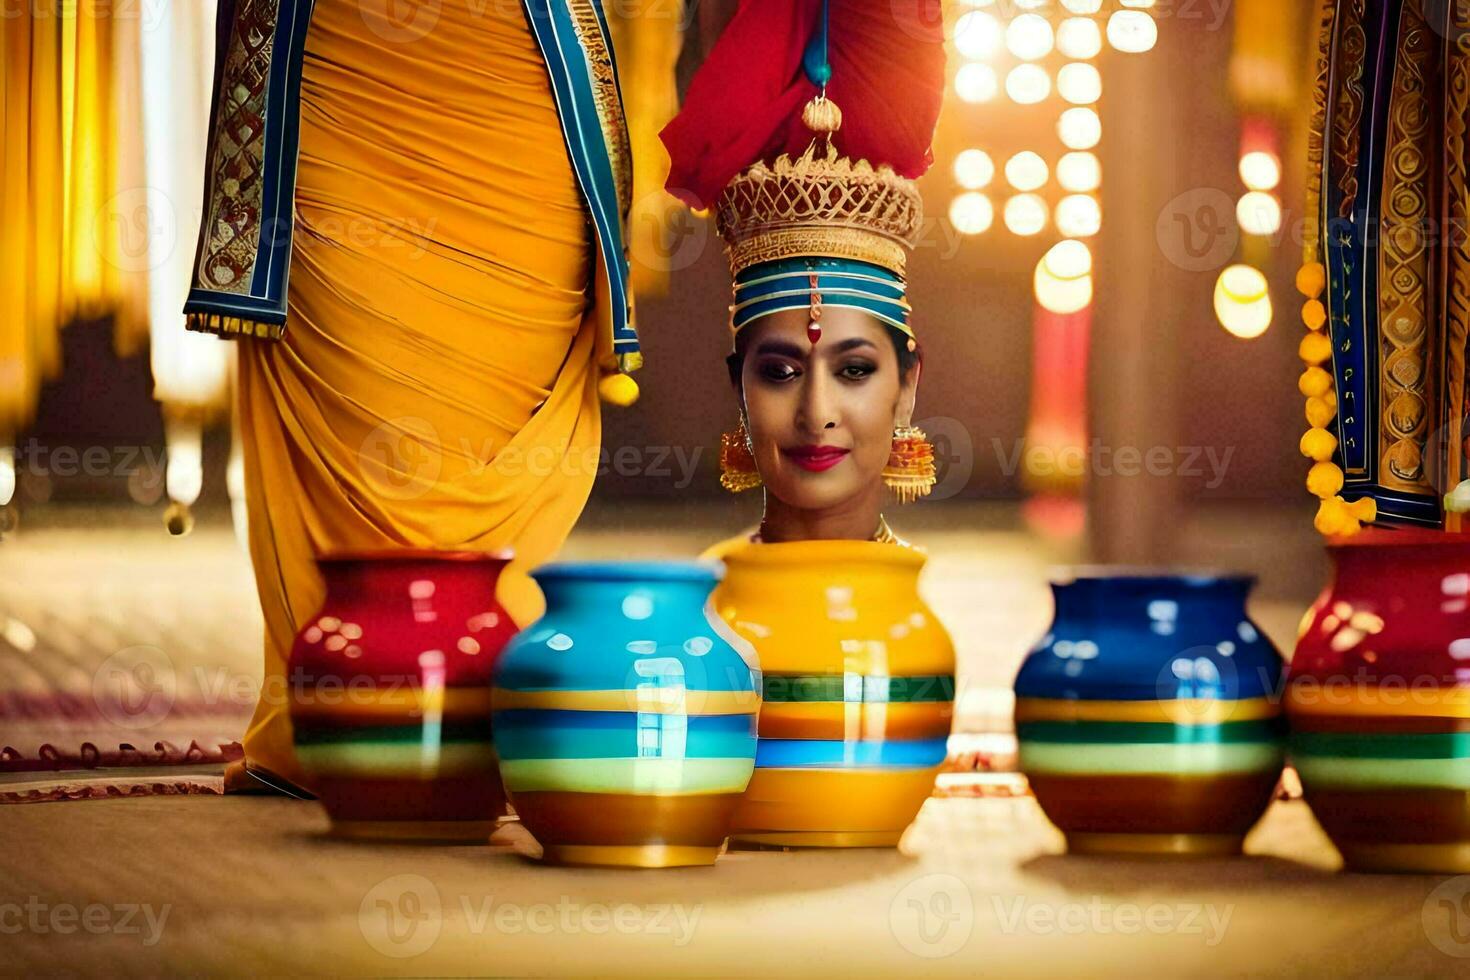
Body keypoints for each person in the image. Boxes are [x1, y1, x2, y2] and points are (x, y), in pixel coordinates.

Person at [182, 0, 640, 795]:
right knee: (360, 400)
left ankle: (461, 703)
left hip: (513, 87)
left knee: (482, 420)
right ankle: (349, 705)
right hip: (340, 70)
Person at [659, 0, 945, 552]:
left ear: (907, 386)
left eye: (855, 370)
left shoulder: (932, 620)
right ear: (737, 387)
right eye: (780, 372)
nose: (817, 415)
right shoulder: (698, 620)